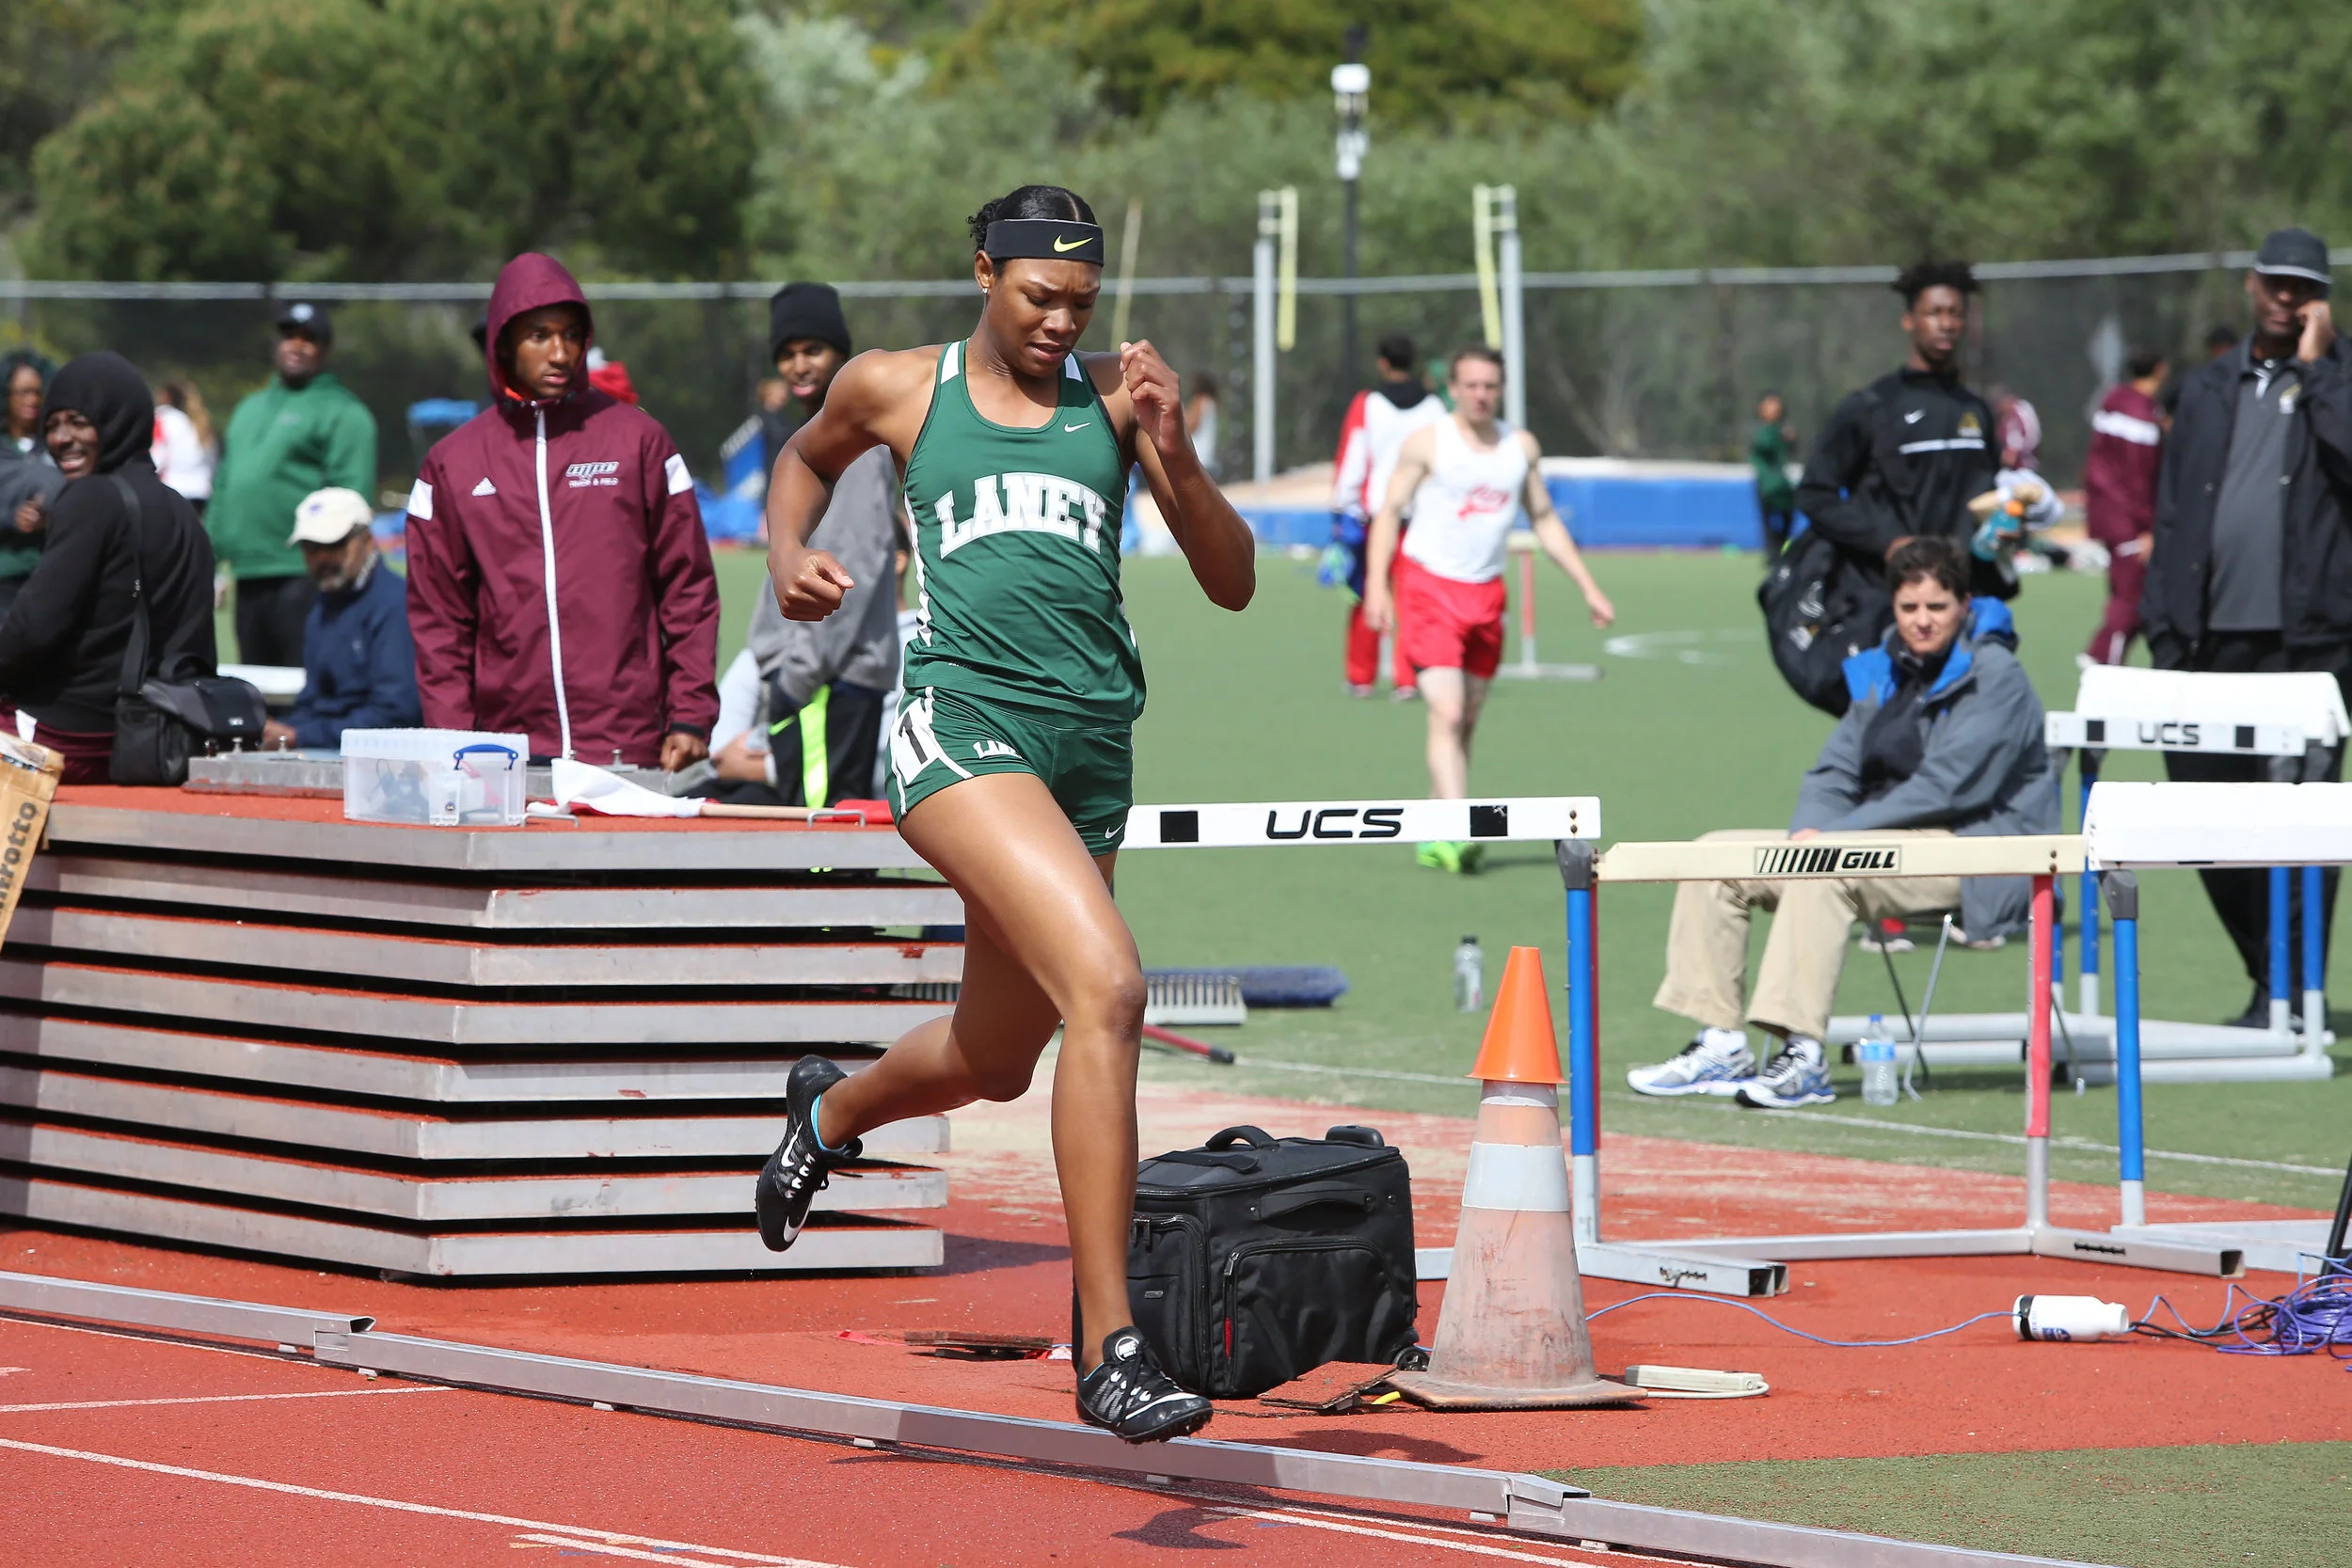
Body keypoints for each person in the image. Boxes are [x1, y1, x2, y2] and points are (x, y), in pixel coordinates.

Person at [751, 184, 1254, 1444]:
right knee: (1110, 988)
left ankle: (828, 1109)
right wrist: (783, 553)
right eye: (1039, 296)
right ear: (986, 272)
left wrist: (1174, 450)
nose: (1059, 323)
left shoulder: (1115, 403)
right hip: (961, 729)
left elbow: (1234, 582)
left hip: (1088, 751)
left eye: (1081, 303)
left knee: (996, 1056)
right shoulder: (897, 386)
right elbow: (802, 459)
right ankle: (1110, 1339)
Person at [1629, 536, 2055, 1106]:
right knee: (1716, 856)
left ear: (1965, 604)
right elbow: (1835, 767)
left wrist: (1833, 838)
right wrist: (1813, 828)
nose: (1922, 621)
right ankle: (1721, 1044)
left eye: (1937, 606)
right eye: (1909, 608)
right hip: (1884, 839)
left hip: (1980, 850)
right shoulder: (1887, 665)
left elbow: (1948, 785)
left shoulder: (1995, 675)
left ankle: (1803, 1058)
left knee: (1822, 868)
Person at [2141, 227, 2352, 1029]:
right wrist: (2163, 626)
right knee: (2204, 819)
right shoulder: (2204, 387)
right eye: (2276, 283)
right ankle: (2271, 975)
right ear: (2251, 285)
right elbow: (2173, 506)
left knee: (2301, 826)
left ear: (2322, 296)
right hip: (2206, 641)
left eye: (2304, 286)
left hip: (2310, 645)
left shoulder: (2342, 374)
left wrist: (2322, 369)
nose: (2288, 298)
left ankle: (2294, 997)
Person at [405, 252, 720, 768]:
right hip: (504, 752)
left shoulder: (640, 441)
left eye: (571, 335)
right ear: (503, 342)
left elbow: (688, 588)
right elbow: (439, 620)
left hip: (630, 744)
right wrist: (452, 740)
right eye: (539, 335)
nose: (559, 352)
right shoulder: (450, 465)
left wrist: (689, 715)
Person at [1362, 346, 1615, 873]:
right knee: (1447, 711)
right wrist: (1377, 589)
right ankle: (1457, 831)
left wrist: (1588, 587)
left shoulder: (1519, 447)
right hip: (1429, 587)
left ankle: (1434, 826)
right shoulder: (1428, 443)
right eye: (1471, 385)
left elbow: (1543, 518)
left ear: (1501, 390)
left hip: (1485, 595)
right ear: (1452, 388)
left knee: (1467, 718)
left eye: (1491, 386)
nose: (1481, 395)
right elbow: (1388, 511)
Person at [709, 282, 900, 807]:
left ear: (841, 354)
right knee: (808, 840)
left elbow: (853, 568)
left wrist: (798, 677)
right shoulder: (811, 438)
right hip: (810, 681)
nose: (799, 366)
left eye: (813, 350)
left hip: (826, 684)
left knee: (823, 855)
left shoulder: (854, 445)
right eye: (787, 355)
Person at [0, 353, 215, 784]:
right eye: (52, 424)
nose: (61, 439)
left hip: (72, 734)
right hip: (159, 736)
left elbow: (34, 628)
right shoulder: (181, 510)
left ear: (117, 420)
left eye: (78, 422)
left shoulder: (90, 499)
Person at [1793, 260, 2010, 665]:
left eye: (1955, 314)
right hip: (1886, 607)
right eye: (1934, 313)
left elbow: (1988, 501)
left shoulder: (1977, 410)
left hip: (1961, 605)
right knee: (1885, 725)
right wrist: (1887, 544)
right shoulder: (1871, 406)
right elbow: (1814, 494)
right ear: (1909, 320)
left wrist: (2004, 533)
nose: (1945, 324)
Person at [209, 301, 378, 667]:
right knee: (256, 696)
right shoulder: (248, 408)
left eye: (309, 339)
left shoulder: (343, 412)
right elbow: (224, 484)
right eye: (288, 336)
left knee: (304, 692)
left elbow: (352, 500)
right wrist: (209, 558)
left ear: (326, 350)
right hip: (248, 573)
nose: (296, 345)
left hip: (304, 574)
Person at [1327, 335, 1445, 696]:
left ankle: (1361, 678)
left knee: (1367, 595)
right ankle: (1408, 679)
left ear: (1382, 363)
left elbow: (1353, 458)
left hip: (1377, 517)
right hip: (1421, 516)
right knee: (1412, 598)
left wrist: (1341, 506)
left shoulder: (1369, 403)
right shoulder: (1435, 407)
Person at [262, 487, 419, 750]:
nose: (321, 558)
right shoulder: (324, 604)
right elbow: (313, 702)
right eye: (311, 548)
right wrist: (277, 729)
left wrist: (299, 736)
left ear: (367, 540)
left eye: (333, 545)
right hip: (331, 747)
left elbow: (397, 714)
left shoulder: (394, 604)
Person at [2082, 346, 2168, 666]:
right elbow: (2140, 478)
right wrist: (2147, 527)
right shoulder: (2141, 416)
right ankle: (2102, 661)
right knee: (2129, 598)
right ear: (2161, 369)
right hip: (2130, 523)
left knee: (2129, 593)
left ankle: (2102, 657)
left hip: (2108, 516)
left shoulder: (2111, 404)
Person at [0, 351, 62, 620]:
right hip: (5, 576)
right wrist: (11, 518)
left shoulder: (60, 447)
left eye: (38, 392)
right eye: (23, 392)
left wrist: (50, 518)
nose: (32, 400)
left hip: (50, 575)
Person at [151, 378, 215, 516]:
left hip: (173, 491)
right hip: (201, 493)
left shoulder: (164, 417)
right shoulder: (201, 421)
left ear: (166, 396)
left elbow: (157, 458)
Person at [1750, 391, 1797, 552]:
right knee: (1769, 525)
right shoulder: (1762, 431)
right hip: (1767, 485)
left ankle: (1781, 551)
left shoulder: (1781, 430)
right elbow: (1762, 446)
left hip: (1781, 485)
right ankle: (1773, 557)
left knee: (1787, 517)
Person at [1184, 372, 1221, 482]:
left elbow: (1191, 426)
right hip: (1208, 456)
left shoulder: (1199, 401)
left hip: (1197, 455)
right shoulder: (1212, 403)